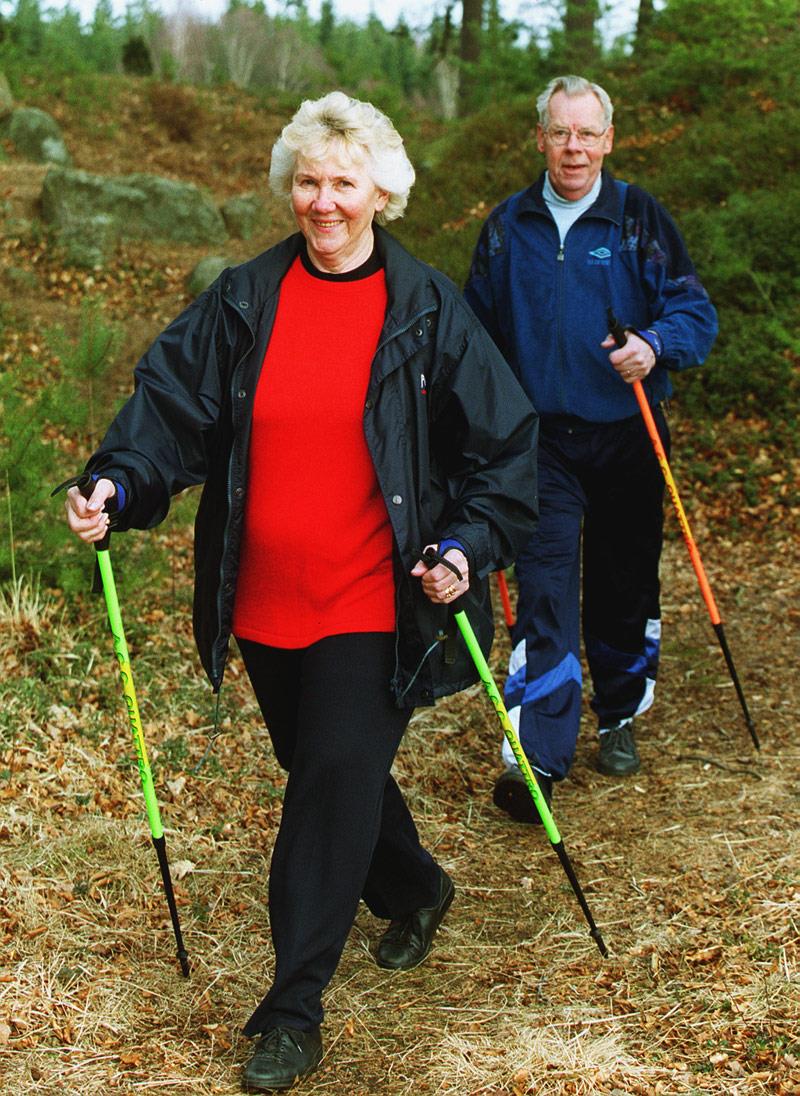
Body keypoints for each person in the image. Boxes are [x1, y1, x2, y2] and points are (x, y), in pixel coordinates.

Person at [62, 92, 538, 1092]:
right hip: (266, 599)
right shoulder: (243, 299)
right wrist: (120, 480)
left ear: (382, 191)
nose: (324, 202)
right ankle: (415, 885)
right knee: (326, 771)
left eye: (344, 182)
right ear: (292, 188)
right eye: (309, 182)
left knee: (327, 774)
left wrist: (463, 543)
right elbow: (167, 412)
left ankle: (290, 1009)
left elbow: (504, 449)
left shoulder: (424, 309)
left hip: (374, 595)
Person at [464, 74, 718, 824]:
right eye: (560, 132)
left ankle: (620, 713)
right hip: (540, 442)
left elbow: (694, 311)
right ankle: (538, 751)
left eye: (587, 133)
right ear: (539, 138)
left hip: (629, 433)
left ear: (609, 139)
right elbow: (474, 335)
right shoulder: (508, 228)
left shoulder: (639, 218)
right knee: (543, 585)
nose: (573, 147)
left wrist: (654, 343)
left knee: (622, 579)